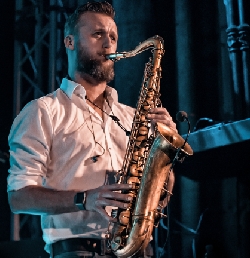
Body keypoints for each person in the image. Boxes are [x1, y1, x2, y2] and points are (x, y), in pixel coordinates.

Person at [7, 2, 177, 257]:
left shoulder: (132, 117)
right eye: (97, 34)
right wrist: (84, 198)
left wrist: (164, 152)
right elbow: (18, 197)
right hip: (77, 250)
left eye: (113, 37)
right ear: (69, 42)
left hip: (140, 250)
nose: (108, 44)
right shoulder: (43, 111)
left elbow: (160, 195)